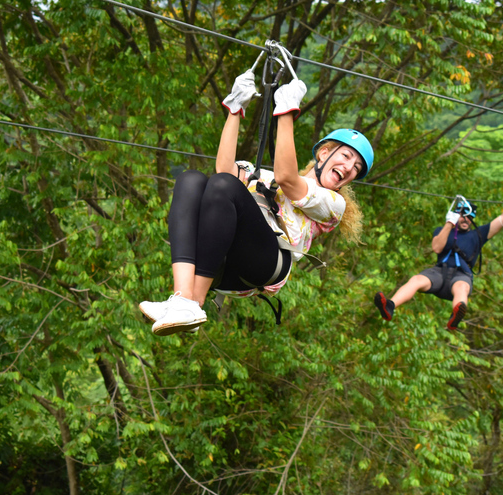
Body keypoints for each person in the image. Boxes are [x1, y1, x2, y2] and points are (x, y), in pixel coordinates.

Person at [139, 70, 375, 336]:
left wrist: (285, 113)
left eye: (356, 168)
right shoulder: (267, 179)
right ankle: (182, 298)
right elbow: (225, 170)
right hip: (226, 258)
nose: (348, 167)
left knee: (225, 186)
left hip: (268, 261)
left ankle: (194, 302)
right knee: (191, 180)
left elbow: (287, 178)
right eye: (345, 156)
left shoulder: (333, 204)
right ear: (323, 153)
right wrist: (235, 109)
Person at [373, 177, 503, 330]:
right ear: (456, 216)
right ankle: (390, 306)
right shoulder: (443, 230)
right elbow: (437, 248)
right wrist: (449, 223)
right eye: (462, 216)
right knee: (416, 280)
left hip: (461, 275)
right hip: (438, 273)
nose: (465, 220)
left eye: (468, 217)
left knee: (462, 287)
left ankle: (457, 314)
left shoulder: (478, 235)